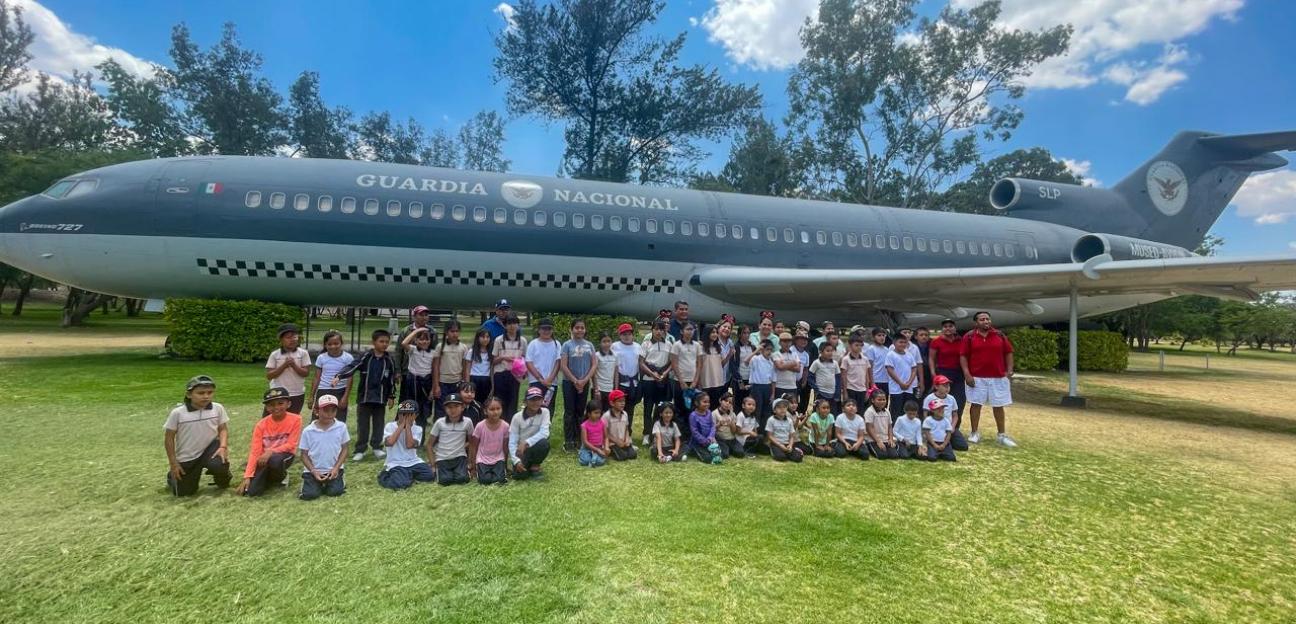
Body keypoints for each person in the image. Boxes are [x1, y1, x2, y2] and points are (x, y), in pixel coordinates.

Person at [334, 329, 397, 461]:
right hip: (364, 397)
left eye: (387, 342)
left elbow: (391, 379)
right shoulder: (366, 357)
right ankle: (360, 449)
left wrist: (391, 396)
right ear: (374, 342)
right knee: (363, 424)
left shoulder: (389, 360)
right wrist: (339, 376)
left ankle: (377, 447)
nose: (384, 344)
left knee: (379, 423)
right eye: (381, 341)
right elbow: (352, 366)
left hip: (380, 398)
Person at [164, 375, 232, 497]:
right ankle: (171, 477)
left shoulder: (218, 408)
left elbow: (223, 429)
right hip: (188, 456)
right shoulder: (178, 413)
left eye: (210, 392)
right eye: (201, 393)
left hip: (211, 448)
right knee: (185, 493)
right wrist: (173, 463)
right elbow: (169, 438)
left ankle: (222, 477)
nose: (206, 396)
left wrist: (223, 447)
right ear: (189, 395)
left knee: (219, 464)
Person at [961, 311, 1018, 447]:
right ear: (976, 322)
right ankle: (974, 433)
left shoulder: (999, 335)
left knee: (998, 405)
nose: (986, 321)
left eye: (987, 319)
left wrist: (1009, 369)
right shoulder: (969, 337)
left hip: (998, 377)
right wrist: (967, 374)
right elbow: (963, 356)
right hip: (977, 377)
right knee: (976, 405)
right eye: (982, 319)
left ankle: (1001, 435)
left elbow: (1008, 352)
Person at [237, 388, 303, 497]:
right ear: (267, 407)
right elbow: (255, 451)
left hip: (284, 455)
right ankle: (264, 478)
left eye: (280, 403)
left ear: (289, 404)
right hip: (263, 459)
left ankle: (282, 476)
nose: (276, 407)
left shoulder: (296, 419)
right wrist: (247, 476)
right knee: (252, 492)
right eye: (271, 405)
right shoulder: (260, 425)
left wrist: (271, 451)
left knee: (274, 460)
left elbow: (291, 444)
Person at [297, 394, 350, 499]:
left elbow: (345, 449)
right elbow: (304, 455)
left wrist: (336, 468)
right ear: (317, 411)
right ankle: (311, 483)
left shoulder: (341, 427)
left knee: (335, 492)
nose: (329, 414)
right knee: (310, 495)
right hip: (313, 470)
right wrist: (313, 471)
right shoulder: (308, 431)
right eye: (326, 410)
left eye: (333, 410)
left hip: (333, 469)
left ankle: (338, 480)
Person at [377, 400, 436, 490]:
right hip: (396, 463)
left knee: (430, 476)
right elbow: (389, 443)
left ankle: (407, 475)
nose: (405, 417)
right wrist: (401, 426)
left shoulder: (418, 429)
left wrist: (408, 426)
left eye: (409, 414)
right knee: (400, 484)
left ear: (416, 415)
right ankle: (387, 475)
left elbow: (409, 445)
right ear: (398, 414)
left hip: (414, 461)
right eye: (402, 414)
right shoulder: (390, 426)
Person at [560, 318, 597, 453]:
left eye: (582, 327)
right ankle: (569, 440)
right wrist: (575, 381)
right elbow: (563, 365)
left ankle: (580, 439)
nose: (579, 330)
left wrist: (584, 380)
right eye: (577, 327)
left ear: (585, 329)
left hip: (584, 383)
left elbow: (594, 364)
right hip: (569, 383)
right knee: (569, 411)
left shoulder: (590, 345)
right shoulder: (567, 345)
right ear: (572, 329)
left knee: (580, 412)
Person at [638, 320, 673, 446]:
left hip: (662, 380)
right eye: (656, 329)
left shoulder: (669, 344)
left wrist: (664, 374)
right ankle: (646, 434)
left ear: (665, 331)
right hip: (649, 380)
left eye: (661, 329)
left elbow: (672, 363)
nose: (659, 332)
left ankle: (656, 434)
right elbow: (641, 362)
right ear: (652, 330)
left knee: (660, 409)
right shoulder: (646, 344)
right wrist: (652, 374)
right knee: (648, 408)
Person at [427, 392, 473, 485]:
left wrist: (470, 462)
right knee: (445, 481)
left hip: (459, 457)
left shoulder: (467, 422)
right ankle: (442, 472)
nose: (453, 410)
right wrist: (433, 464)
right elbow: (429, 444)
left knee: (462, 479)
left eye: (456, 406)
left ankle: (462, 471)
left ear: (462, 407)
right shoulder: (440, 422)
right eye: (449, 407)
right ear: (445, 409)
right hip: (442, 458)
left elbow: (472, 442)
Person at [265, 323, 311, 415]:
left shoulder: (303, 353)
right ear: (281, 340)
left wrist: (294, 365)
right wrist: (284, 365)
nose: (292, 340)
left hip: (297, 393)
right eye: (288, 337)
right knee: (271, 418)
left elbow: (306, 373)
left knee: (292, 419)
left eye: (294, 337)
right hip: (277, 393)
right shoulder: (275, 354)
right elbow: (269, 375)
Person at [309, 330, 353, 423]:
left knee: (339, 420)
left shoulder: (348, 358)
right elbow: (317, 378)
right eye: (329, 344)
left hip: (340, 391)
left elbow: (350, 378)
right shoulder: (321, 358)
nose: (333, 346)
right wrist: (311, 396)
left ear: (341, 343)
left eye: (336, 343)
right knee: (318, 418)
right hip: (323, 390)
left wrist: (345, 397)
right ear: (325, 345)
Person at [927, 319, 966, 422]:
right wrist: (933, 373)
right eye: (945, 326)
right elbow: (931, 358)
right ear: (942, 329)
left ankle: (955, 426)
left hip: (958, 374)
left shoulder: (961, 340)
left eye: (950, 326)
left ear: (955, 328)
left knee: (959, 401)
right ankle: (934, 424)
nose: (948, 328)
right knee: (938, 400)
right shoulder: (936, 341)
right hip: (943, 373)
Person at [509, 387, 552, 480]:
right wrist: (516, 461)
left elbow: (545, 433)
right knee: (520, 476)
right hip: (520, 452)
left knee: (544, 443)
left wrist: (526, 442)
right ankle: (526, 466)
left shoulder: (545, 412)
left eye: (538, 399)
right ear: (525, 401)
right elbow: (512, 442)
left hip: (534, 446)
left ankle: (535, 466)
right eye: (532, 399)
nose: (535, 402)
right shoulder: (517, 417)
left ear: (542, 400)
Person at [491, 313, 527, 418]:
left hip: (515, 376)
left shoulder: (523, 341)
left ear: (518, 325)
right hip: (500, 374)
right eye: (509, 324)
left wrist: (524, 372)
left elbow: (526, 359)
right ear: (505, 325)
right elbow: (493, 361)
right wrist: (503, 358)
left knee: (513, 402)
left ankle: (510, 427)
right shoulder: (499, 340)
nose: (512, 326)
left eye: (515, 323)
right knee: (500, 402)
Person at [399, 325, 436, 429]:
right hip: (413, 381)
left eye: (427, 339)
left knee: (424, 410)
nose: (424, 342)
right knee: (410, 406)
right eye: (421, 339)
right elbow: (403, 343)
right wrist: (418, 330)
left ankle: (420, 435)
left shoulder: (433, 353)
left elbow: (434, 371)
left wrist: (433, 389)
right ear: (415, 340)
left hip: (427, 382)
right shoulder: (413, 350)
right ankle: (405, 428)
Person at [469, 396, 510, 485]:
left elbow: (505, 446)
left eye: (498, 408)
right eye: (492, 409)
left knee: (500, 480)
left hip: (499, 458)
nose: (495, 412)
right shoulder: (480, 426)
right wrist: (473, 465)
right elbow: (473, 446)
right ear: (485, 411)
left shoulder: (505, 426)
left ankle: (499, 472)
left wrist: (505, 464)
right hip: (482, 459)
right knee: (484, 481)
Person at [923, 375, 969, 451]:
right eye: (944, 385)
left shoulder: (951, 399)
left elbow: (955, 415)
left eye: (948, 385)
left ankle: (948, 441)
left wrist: (952, 427)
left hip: (948, 427)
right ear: (936, 387)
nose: (947, 387)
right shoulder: (929, 398)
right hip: (934, 427)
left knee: (963, 446)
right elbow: (925, 415)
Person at [670, 322, 701, 434]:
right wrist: (682, 381)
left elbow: (699, 364)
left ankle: (691, 433)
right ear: (682, 331)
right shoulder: (677, 345)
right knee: (679, 407)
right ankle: (680, 434)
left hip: (693, 381)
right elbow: (674, 364)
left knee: (692, 408)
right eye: (687, 329)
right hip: (679, 382)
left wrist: (695, 381)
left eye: (692, 329)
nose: (690, 331)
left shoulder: (697, 345)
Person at [394, 305, 437, 385]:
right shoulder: (406, 331)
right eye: (421, 315)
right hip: (408, 371)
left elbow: (435, 351)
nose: (424, 317)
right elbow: (398, 351)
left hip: (426, 373)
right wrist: (397, 371)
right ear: (414, 316)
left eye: (426, 315)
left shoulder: (432, 331)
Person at [432, 320, 469, 413]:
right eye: (452, 331)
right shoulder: (440, 347)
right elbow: (435, 367)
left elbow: (465, 368)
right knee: (441, 409)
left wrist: (466, 385)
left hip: (457, 383)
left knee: (456, 408)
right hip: (443, 383)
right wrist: (436, 386)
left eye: (457, 331)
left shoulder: (463, 347)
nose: (455, 334)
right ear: (446, 332)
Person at [525, 317, 562, 402]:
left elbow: (558, 362)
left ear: (552, 330)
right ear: (538, 330)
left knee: (549, 407)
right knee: (534, 405)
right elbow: (529, 362)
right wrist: (540, 379)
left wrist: (550, 379)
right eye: (543, 328)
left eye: (549, 328)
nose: (546, 331)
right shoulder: (533, 344)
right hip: (535, 381)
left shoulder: (557, 344)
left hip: (551, 382)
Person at [885, 334, 920, 421]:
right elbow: (890, 369)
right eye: (900, 342)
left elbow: (914, 368)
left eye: (905, 342)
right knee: (896, 411)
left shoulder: (909, 355)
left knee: (906, 410)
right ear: (894, 343)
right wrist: (900, 383)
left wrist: (909, 382)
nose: (903, 344)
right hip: (896, 388)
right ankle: (894, 431)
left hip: (908, 388)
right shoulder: (891, 355)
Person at [699, 324, 730, 409]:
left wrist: (729, 355)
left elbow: (722, 364)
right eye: (713, 332)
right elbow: (697, 366)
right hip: (705, 383)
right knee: (704, 407)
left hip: (718, 382)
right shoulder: (700, 347)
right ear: (707, 333)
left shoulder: (718, 347)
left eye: (716, 332)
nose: (715, 334)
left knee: (715, 407)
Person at [840, 334, 873, 412]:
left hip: (862, 389)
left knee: (861, 411)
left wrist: (867, 391)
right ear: (850, 346)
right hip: (850, 389)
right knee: (850, 411)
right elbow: (843, 376)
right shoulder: (846, 359)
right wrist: (844, 392)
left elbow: (866, 376)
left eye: (861, 345)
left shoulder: (865, 359)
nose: (859, 347)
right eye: (856, 345)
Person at [687, 393, 723, 465]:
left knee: (722, 454)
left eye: (708, 402)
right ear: (696, 403)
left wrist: (710, 437)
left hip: (709, 440)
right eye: (704, 402)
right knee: (708, 458)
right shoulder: (693, 415)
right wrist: (705, 441)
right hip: (697, 443)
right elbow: (695, 432)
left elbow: (712, 426)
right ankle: (693, 451)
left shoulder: (709, 412)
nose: (707, 404)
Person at [749, 338, 776, 429]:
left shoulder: (771, 362)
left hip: (767, 387)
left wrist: (772, 393)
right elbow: (745, 361)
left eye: (771, 350)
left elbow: (773, 380)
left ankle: (764, 432)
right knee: (757, 410)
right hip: (757, 387)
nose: (769, 352)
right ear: (762, 349)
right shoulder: (756, 359)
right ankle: (754, 432)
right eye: (767, 349)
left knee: (767, 411)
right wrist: (756, 351)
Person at [603, 389, 638, 461]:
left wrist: (627, 439)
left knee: (633, 455)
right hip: (612, 443)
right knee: (622, 457)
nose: (623, 403)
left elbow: (626, 429)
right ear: (612, 403)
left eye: (624, 401)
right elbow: (605, 433)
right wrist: (616, 441)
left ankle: (624, 449)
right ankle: (611, 451)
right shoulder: (606, 416)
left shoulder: (625, 414)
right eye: (620, 401)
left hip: (623, 442)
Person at [766, 397, 804, 463]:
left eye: (784, 407)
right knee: (781, 457)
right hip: (776, 444)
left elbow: (792, 435)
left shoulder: (789, 420)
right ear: (774, 410)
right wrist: (780, 445)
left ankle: (790, 451)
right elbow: (770, 436)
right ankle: (774, 450)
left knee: (798, 458)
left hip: (787, 443)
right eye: (779, 407)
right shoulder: (771, 420)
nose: (782, 409)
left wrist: (790, 445)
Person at [863, 389, 898, 459]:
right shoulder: (869, 411)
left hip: (885, 438)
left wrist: (890, 439)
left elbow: (890, 426)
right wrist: (878, 441)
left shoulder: (887, 411)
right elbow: (869, 428)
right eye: (879, 400)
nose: (882, 402)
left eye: (884, 399)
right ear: (873, 400)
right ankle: (868, 447)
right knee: (882, 456)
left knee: (894, 455)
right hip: (873, 439)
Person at [808, 343, 841, 414]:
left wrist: (837, 393)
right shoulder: (816, 363)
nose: (830, 353)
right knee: (819, 413)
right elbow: (810, 376)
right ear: (820, 352)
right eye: (827, 351)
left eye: (831, 351)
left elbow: (838, 379)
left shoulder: (835, 363)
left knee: (832, 413)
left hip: (832, 393)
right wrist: (816, 388)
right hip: (821, 393)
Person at [772, 333, 801, 409]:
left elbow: (798, 369)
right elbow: (780, 367)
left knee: (792, 409)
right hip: (779, 386)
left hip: (792, 386)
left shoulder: (795, 354)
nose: (787, 343)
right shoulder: (776, 354)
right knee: (779, 409)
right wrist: (793, 363)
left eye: (789, 341)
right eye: (784, 341)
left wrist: (785, 365)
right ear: (779, 342)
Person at [923, 397, 957, 462]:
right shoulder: (928, 420)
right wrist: (934, 444)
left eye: (942, 408)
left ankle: (941, 452)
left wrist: (944, 444)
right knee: (932, 458)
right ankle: (936, 452)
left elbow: (948, 433)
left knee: (951, 458)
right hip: (932, 442)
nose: (941, 410)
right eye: (938, 409)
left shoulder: (946, 421)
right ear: (932, 410)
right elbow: (927, 434)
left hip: (944, 443)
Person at [466, 329, 494, 404]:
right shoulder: (472, 351)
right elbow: (467, 369)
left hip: (486, 380)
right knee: (474, 401)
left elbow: (491, 369)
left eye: (487, 337)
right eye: (483, 337)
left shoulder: (491, 352)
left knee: (485, 402)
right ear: (478, 338)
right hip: (474, 378)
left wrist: (492, 386)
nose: (485, 339)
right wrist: (467, 383)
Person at [712, 392, 743, 459]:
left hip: (732, 439)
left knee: (740, 453)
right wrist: (719, 424)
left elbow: (734, 431)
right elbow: (712, 431)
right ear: (720, 400)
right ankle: (726, 449)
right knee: (725, 455)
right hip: (721, 439)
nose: (727, 403)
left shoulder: (732, 414)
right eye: (725, 401)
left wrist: (731, 423)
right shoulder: (714, 413)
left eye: (730, 402)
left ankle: (730, 449)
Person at [578, 403, 610, 468]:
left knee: (600, 461)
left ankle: (594, 458)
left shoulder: (603, 423)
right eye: (595, 413)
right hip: (587, 448)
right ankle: (589, 456)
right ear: (589, 414)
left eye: (599, 413)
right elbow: (585, 442)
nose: (598, 415)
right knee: (585, 461)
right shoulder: (584, 425)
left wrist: (606, 447)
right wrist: (597, 450)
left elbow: (606, 437)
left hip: (599, 447)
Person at [594, 332, 618, 409]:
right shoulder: (597, 355)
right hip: (600, 389)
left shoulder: (615, 355)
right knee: (597, 412)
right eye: (604, 341)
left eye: (609, 341)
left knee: (608, 413)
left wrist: (616, 389)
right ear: (600, 343)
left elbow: (616, 373)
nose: (607, 344)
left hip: (610, 389)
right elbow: (593, 373)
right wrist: (596, 389)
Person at [790, 331, 814, 409]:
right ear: (796, 340)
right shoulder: (791, 350)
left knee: (796, 401)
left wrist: (804, 381)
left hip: (799, 382)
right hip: (789, 381)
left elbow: (806, 369)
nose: (804, 341)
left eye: (806, 340)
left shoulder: (806, 354)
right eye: (802, 339)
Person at [733, 324, 755, 406]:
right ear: (739, 334)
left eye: (748, 333)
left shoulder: (752, 347)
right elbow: (733, 366)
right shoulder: (736, 347)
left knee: (750, 403)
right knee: (739, 403)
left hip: (751, 379)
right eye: (744, 333)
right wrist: (740, 382)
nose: (747, 335)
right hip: (739, 379)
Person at [865, 328, 892, 396]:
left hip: (886, 380)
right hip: (876, 380)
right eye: (879, 335)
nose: (882, 337)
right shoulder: (871, 349)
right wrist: (872, 382)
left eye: (883, 335)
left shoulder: (887, 349)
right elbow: (869, 367)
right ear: (873, 337)